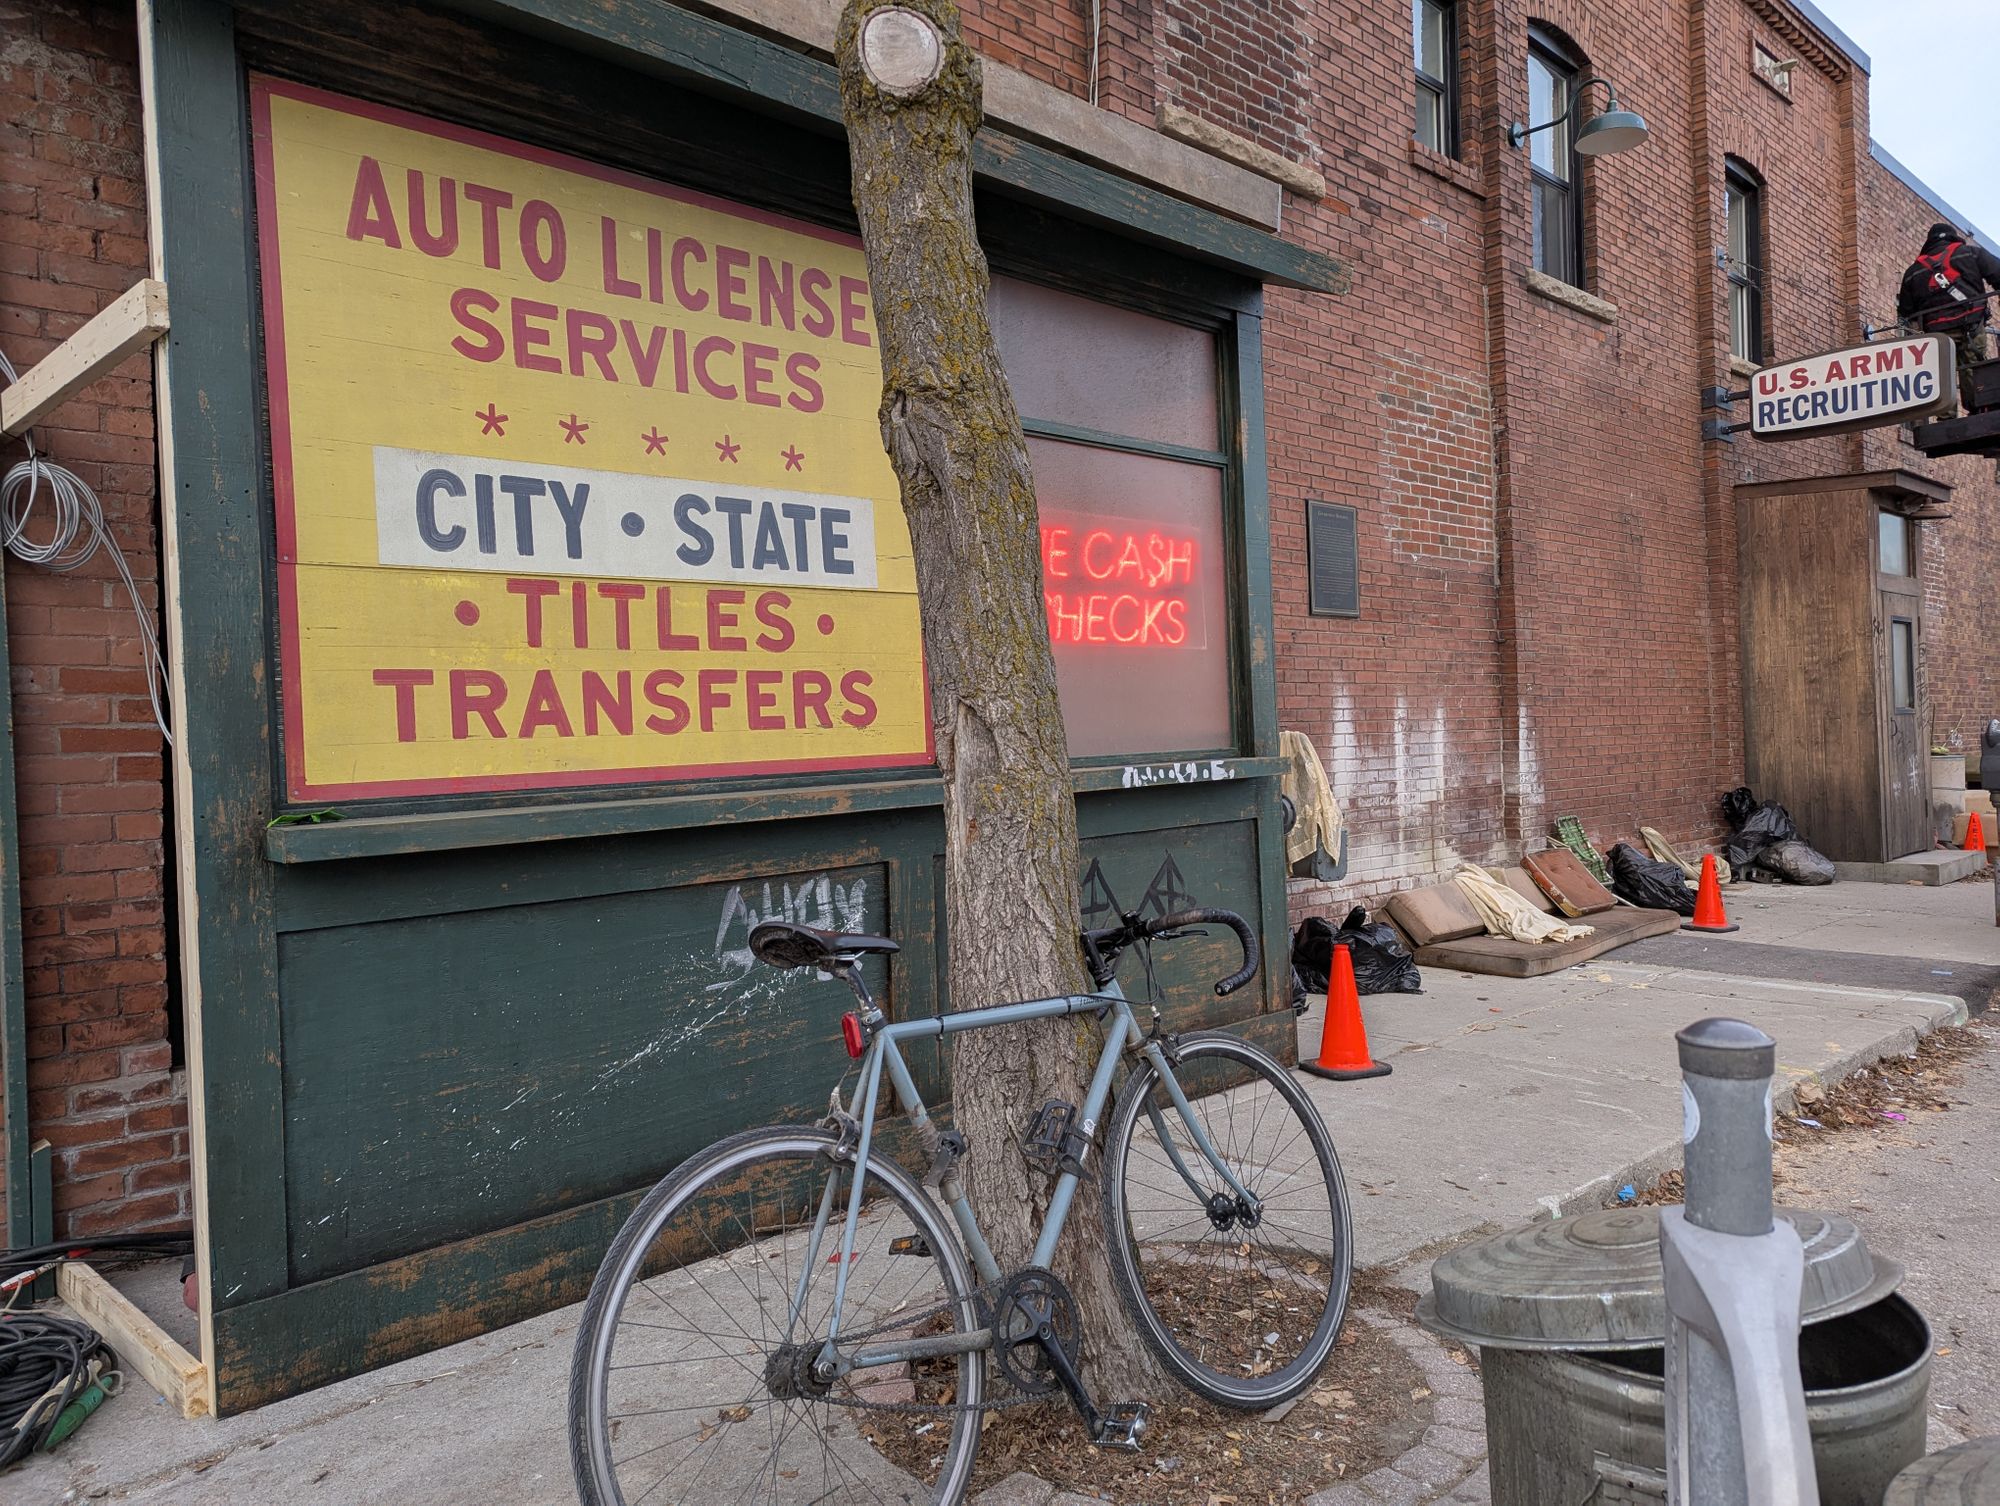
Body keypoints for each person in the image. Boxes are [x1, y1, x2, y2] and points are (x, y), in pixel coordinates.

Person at [1898, 221, 2000, 413]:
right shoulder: (1970, 253)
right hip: (1971, 324)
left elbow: (1905, 310)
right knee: (1973, 367)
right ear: (1953, 237)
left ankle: (1946, 417)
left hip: (1936, 334)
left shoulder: (1913, 271)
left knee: (1942, 374)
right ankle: (1979, 410)